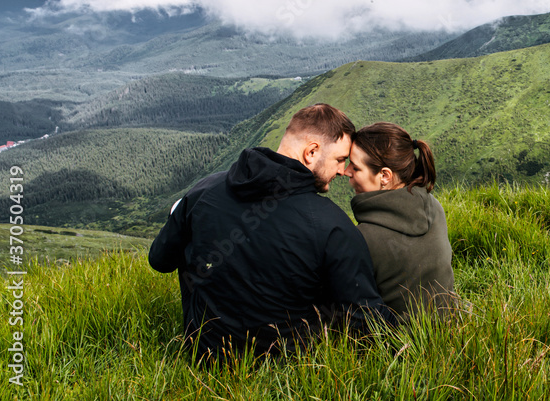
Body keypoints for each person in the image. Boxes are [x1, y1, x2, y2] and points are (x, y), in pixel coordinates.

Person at [148, 103, 390, 363]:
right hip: (287, 371)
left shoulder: (203, 192)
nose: (343, 171)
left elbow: (160, 260)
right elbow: (366, 319)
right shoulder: (332, 224)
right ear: (311, 152)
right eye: (340, 159)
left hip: (205, 356)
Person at [343, 122, 458, 321]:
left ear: (384, 176)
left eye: (356, 167)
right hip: (453, 328)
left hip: (400, 345)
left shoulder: (363, 238)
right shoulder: (434, 207)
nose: (346, 171)